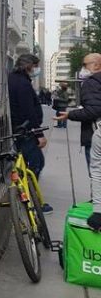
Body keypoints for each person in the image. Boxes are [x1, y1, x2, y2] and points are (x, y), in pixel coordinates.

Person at [57, 54, 101, 230]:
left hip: (95, 132)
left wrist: (70, 114)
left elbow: (93, 110)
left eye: (85, 64)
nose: (82, 68)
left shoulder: (92, 83)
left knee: (96, 173)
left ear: (97, 65)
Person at [8, 53, 52, 214]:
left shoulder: (12, 79)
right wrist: (39, 133)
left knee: (27, 163)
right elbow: (29, 111)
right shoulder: (22, 83)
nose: (36, 69)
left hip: (17, 128)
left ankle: (27, 196)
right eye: (35, 66)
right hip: (25, 129)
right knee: (36, 163)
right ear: (29, 66)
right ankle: (32, 201)